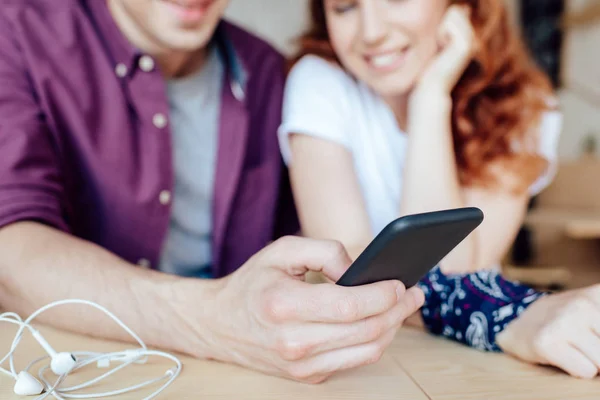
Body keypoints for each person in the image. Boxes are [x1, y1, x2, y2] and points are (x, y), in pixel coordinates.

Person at [0, 0, 427, 384]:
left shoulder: (268, 73)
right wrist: (212, 317)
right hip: (76, 377)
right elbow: (11, 251)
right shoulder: (17, 33)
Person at [279, 0, 600, 379]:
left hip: (468, 358)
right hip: (362, 359)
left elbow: (454, 270)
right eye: (344, 7)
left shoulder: (521, 102)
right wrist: (431, 98)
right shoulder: (320, 81)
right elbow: (354, 279)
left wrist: (430, 96)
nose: (371, 32)